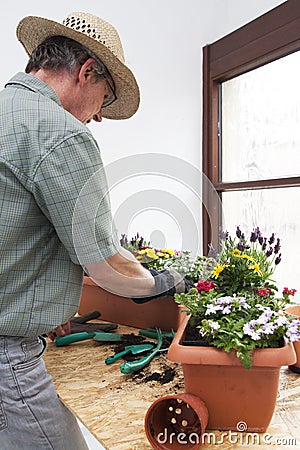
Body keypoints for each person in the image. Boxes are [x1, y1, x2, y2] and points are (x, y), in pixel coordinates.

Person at [0, 12, 191, 449]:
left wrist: (41, 301)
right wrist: (163, 282)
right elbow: (105, 267)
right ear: (87, 71)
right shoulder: (60, 133)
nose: (100, 117)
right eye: (104, 100)